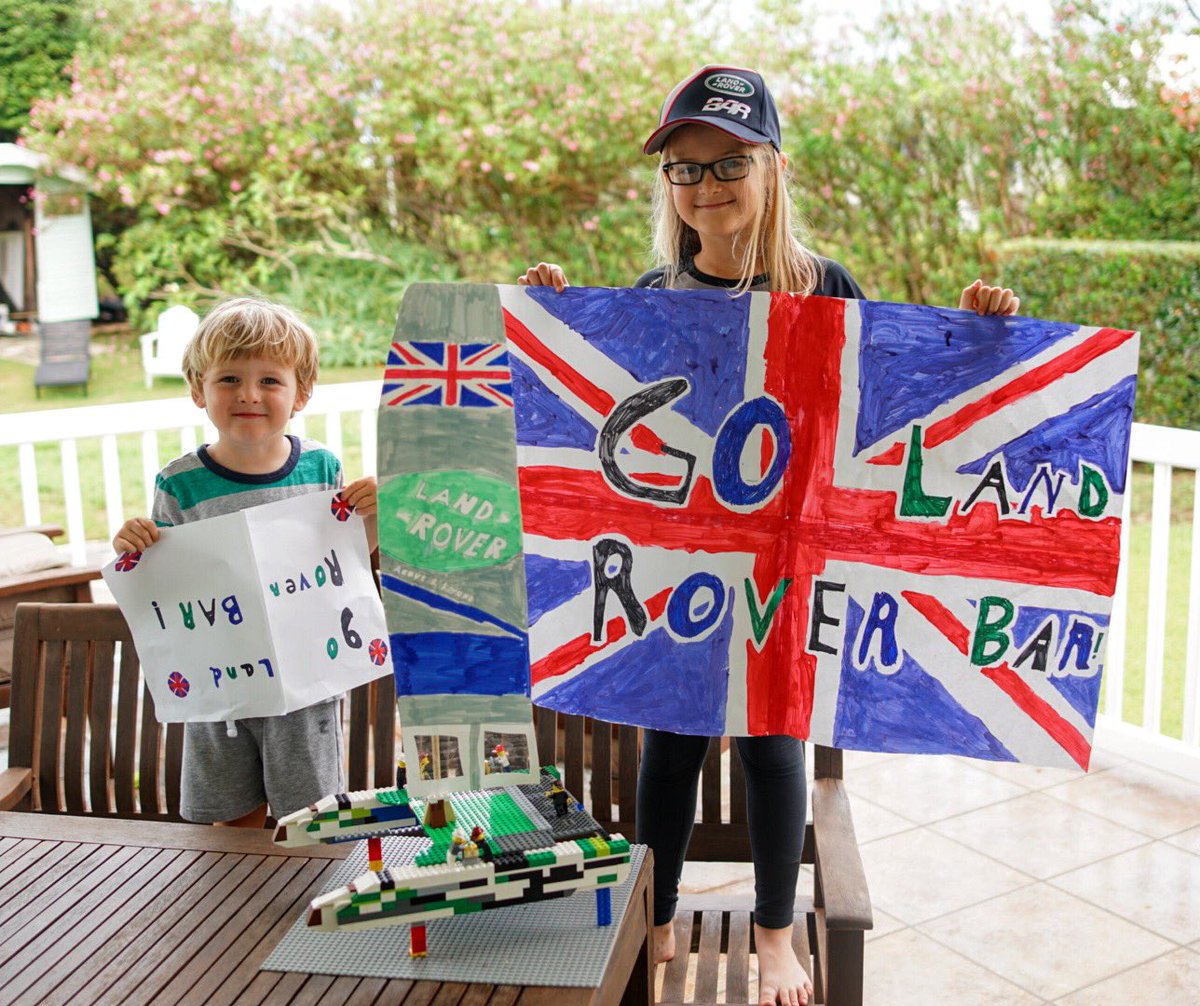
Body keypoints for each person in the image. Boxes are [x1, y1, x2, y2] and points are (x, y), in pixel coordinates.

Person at [519, 64, 1020, 1006]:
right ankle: (656, 919)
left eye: (728, 163)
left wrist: (981, 338)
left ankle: (776, 935)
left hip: (786, 564)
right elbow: (606, 417)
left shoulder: (825, 285)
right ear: (669, 185)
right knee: (667, 744)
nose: (707, 186)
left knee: (771, 744)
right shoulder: (651, 290)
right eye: (686, 169)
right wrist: (551, 314)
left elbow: (890, 404)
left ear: (771, 166)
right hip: (676, 561)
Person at [112, 297, 378, 829]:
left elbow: (342, 567)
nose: (249, 395)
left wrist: (374, 518)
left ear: (301, 393)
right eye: (229, 379)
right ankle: (240, 914)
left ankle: (301, 911)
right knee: (230, 825)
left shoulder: (322, 467)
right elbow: (164, 583)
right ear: (198, 390)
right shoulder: (179, 483)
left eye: (270, 381)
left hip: (307, 687)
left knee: (311, 825)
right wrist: (131, 547)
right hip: (220, 690)